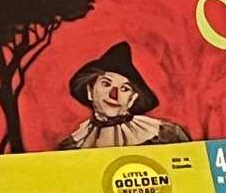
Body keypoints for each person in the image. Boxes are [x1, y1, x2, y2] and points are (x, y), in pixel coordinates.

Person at [59, 42, 189, 149]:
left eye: (125, 89)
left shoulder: (165, 135)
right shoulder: (73, 145)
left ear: (132, 99)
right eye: (106, 84)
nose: (113, 95)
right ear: (90, 91)